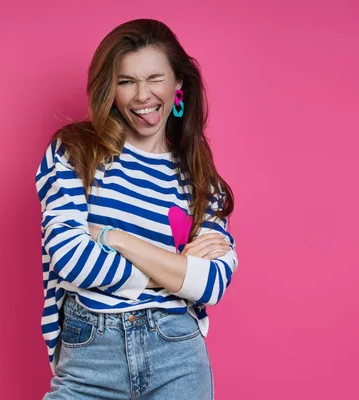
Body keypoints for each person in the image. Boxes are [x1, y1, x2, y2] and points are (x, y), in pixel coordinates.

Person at [35, 18, 238, 399]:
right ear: (109, 90)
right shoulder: (74, 152)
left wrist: (113, 237)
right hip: (90, 357)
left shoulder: (199, 176)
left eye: (155, 78)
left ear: (178, 83)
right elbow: (69, 258)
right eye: (126, 81)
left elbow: (211, 283)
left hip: (177, 354)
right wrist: (177, 271)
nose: (142, 95)